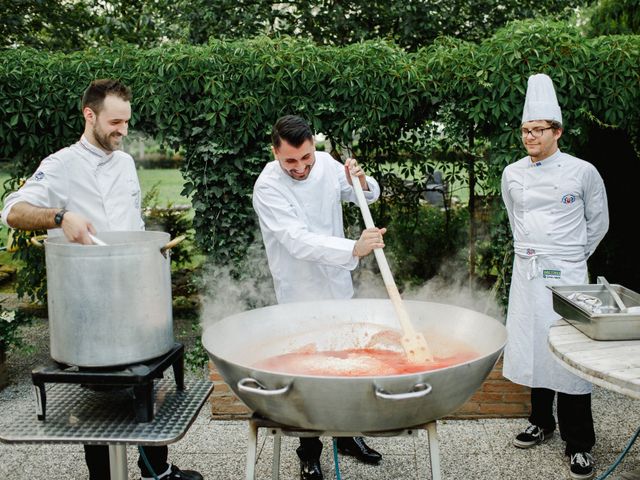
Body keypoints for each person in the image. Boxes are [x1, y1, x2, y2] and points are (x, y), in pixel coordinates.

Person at [1, 79, 203, 480]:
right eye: (115, 122)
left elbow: (132, 224)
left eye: (126, 122)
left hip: (136, 290)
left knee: (150, 381)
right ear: (89, 115)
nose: (123, 131)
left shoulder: (125, 162)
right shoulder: (60, 165)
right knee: (102, 396)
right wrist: (60, 217)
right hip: (90, 299)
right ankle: (104, 476)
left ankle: (156, 472)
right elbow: (12, 211)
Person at [252, 115, 385, 480]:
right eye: (290, 161)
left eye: (306, 157)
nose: (300, 167)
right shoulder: (267, 186)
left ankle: (346, 437)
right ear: (275, 152)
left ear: (313, 145)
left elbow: (366, 193)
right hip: (299, 292)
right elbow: (295, 240)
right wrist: (354, 249)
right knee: (307, 375)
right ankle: (308, 450)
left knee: (344, 364)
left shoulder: (325, 164)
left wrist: (360, 180)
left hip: (337, 286)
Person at [501, 73, 609, 480]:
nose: (529, 137)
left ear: (556, 131)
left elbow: (598, 223)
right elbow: (515, 218)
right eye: (525, 130)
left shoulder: (582, 172)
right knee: (532, 343)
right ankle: (541, 421)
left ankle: (579, 442)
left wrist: (570, 259)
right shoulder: (512, 173)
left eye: (537, 130)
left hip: (566, 271)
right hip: (527, 271)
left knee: (568, 350)